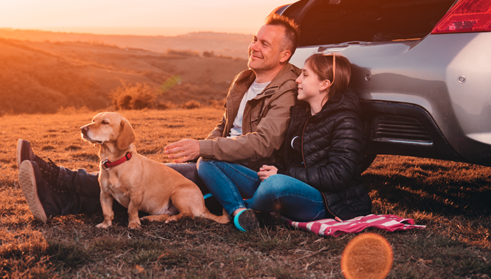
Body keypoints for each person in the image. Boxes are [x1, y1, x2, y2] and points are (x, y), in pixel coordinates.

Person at [16, 14, 303, 222]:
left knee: (143, 180)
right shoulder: (245, 80)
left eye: (265, 44)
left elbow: (263, 143)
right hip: (216, 161)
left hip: (243, 171)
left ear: (284, 54)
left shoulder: (286, 90)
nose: (254, 47)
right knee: (140, 180)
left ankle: (57, 181)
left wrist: (203, 150)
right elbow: (224, 126)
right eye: (255, 39)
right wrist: (205, 147)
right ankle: (59, 197)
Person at [198, 53, 373, 232]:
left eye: (305, 75)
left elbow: (338, 175)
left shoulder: (347, 121)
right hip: (287, 184)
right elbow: (287, 159)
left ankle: (233, 202)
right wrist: (271, 169)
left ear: (324, 84)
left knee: (276, 185)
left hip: (326, 200)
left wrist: (282, 174)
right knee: (207, 160)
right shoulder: (301, 115)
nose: (297, 80)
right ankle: (240, 212)